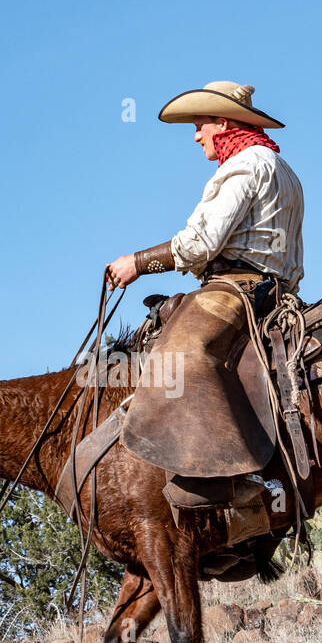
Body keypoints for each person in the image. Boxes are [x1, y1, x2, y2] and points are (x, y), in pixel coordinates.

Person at [106, 81, 304, 540]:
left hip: (237, 287)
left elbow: (200, 243)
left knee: (183, 353)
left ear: (225, 123)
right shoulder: (280, 167)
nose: (196, 136)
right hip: (277, 290)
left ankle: (234, 480)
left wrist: (136, 263)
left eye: (201, 124)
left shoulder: (244, 166)